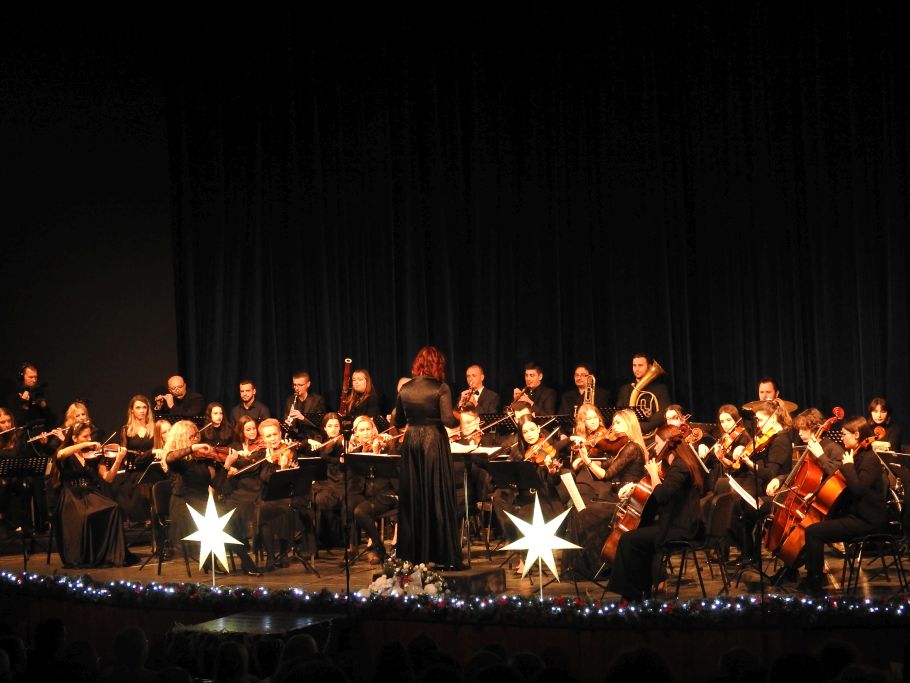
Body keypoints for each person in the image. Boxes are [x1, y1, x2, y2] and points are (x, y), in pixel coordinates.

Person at [607, 424, 704, 601]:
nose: (655, 447)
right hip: (672, 523)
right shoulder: (675, 465)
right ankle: (641, 589)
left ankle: (631, 594)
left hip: (681, 528)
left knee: (628, 540)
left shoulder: (681, 467)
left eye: (658, 443)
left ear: (668, 444)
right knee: (637, 536)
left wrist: (653, 474)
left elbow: (662, 495)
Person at [799, 416, 888, 595]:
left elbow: (858, 489)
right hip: (856, 514)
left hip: (867, 520)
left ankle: (814, 583)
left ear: (856, 435)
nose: (841, 438)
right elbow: (838, 481)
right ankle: (798, 571)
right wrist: (815, 495)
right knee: (811, 524)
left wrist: (848, 467)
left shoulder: (869, 459)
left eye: (844, 434)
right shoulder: (855, 455)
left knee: (813, 532)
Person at [393, 346, 462, 568]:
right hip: (433, 441)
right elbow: (448, 420)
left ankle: (414, 554)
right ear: (438, 365)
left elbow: (398, 422)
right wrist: (459, 418)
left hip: (411, 442)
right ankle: (442, 554)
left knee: (414, 496)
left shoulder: (405, 388)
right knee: (436, 494)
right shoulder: (441, 387)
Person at [53, 421, 134, 567]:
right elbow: (61, 454)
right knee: (85, 515)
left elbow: (108, 478)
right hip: (72, 495)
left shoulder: (93, 456)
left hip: (90, 493)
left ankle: (109, 554)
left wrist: (118, 460)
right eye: (85, 436)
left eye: (90, 436)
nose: (90, 439)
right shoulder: (65, 453)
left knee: (114, 508)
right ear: (74, 438)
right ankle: (86, 556)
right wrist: (85, 445)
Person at [345, 415, 398, 564]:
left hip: (385, 494)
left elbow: (393, 465)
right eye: (361, 430)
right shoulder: (356, 451)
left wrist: (378, 451)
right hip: (365, 493)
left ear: (374, 430)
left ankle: (377, 547)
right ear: (356, 434)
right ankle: (355, 547)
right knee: (349, 502)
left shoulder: (384, 445)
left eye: (368, 429)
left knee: (360, 511)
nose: (365, 433)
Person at [113, 395, 157, 526]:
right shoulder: (126, 430)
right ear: (132, 410)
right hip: (134, 471)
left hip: (150, 470)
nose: (141, 410)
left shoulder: (154, 428)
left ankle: (152, 521)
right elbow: (124, 454)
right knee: (130, 491)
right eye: (138, 408)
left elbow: (157, 450)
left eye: (144, 407)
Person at [615, 353, 671, 438]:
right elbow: (620, 413)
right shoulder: (625, 389)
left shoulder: (660, 389)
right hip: (628, 436)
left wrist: (640, 427)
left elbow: (663, 413)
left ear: (649, 367)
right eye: (634, 365)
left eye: (640, 365)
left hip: (652, 436)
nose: (636, 369)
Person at [311, 412, 346, 550]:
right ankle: (319, 539)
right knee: (315, 497)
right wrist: (309, 442)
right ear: (324, 428)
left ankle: (335, 539)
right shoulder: (320, 440)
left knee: (325, 498)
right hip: (323, 478)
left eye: (336, 426)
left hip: (339, 478)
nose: (333, 429)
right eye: (330, 426)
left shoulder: (343, 442)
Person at [7, 362, 54, 428]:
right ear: (22, 377)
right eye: (31, 377)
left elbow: (52, 419)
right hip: (25, 431)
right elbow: (16, 422)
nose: (34, 380)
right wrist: (24, 403)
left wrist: (44, 406)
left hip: (42, 430)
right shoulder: (15, 396)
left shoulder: (40, 393)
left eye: (35, 377)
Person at [283, 371, 326, 441]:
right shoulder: (290, 400)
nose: (296, 388)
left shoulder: (317, 400)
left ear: (308, 384)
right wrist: (288, 424)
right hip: (296, 439)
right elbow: (287, 423)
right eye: (295, 385)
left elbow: (320, 424)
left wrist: (302, 418)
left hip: (314, 438)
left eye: (300, 385)